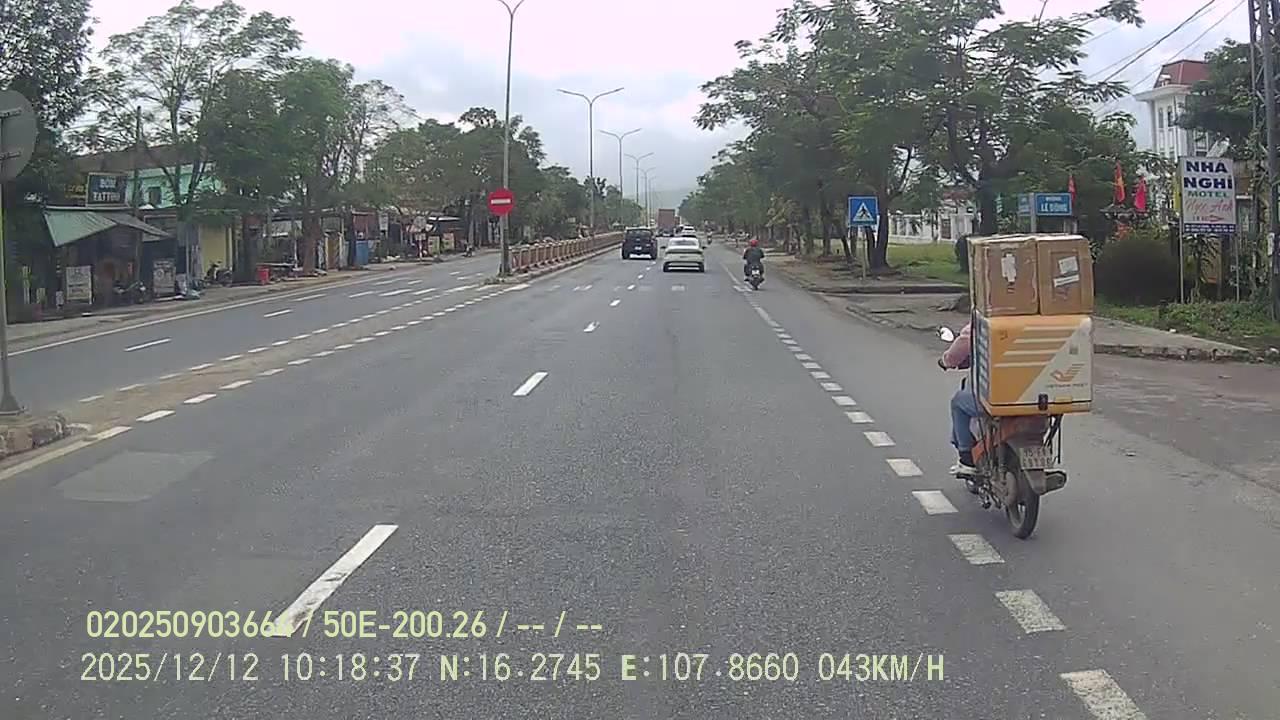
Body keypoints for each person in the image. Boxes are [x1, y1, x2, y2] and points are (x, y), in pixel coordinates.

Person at [939, 322, 978, 477]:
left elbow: (964, 342)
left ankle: (966, 458)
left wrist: (946, 361)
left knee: (958, 402)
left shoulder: (985, 320)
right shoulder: (1044, 319)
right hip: (1040, 400)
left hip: (997, 398)